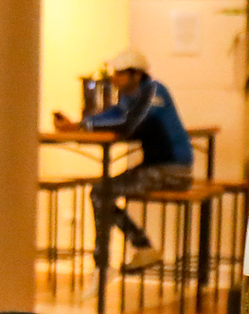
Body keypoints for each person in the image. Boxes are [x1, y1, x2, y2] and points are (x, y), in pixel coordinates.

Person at [54, 49, 192, 272]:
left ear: (135, 74)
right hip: (159, 167)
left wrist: (80, 126)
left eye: (119, 73)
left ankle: (108, 262)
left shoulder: (154, 92)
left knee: (101, 193)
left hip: (173, 171)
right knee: (101, 192)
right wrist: (81, 123)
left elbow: (127, 122)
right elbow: (114, 115)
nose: (113, 78)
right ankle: (138, 249)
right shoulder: (132, 96)